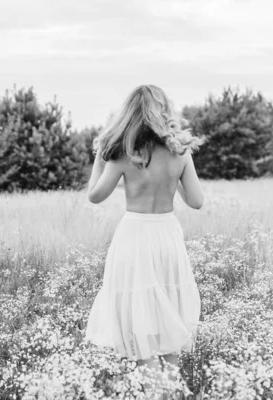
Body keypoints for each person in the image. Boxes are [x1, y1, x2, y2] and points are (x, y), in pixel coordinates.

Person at [83, 84, 204, 397]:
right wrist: (171, 177)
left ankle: (153, 392)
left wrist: (100, 155)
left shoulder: (125, 155)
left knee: (139, 312)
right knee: (169, 309)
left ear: (129, 116)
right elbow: (196, 201)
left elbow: (95, 196)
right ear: (164, 113)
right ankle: (171, 388)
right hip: (167, 235)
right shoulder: (181, 152)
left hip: (135, 236)